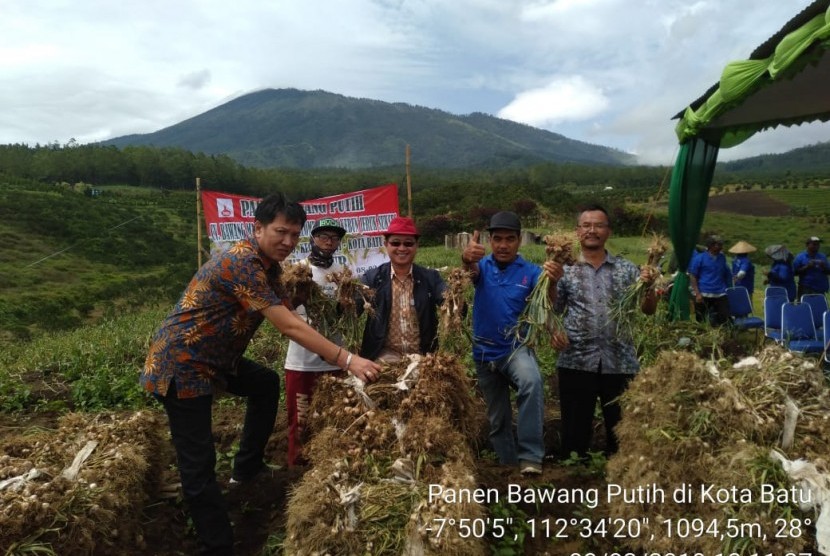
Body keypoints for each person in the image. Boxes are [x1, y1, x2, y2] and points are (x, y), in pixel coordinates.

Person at [140, 193, 381, 556]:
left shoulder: (269, 269)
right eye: (280, 232)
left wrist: (341, 298)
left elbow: (289, 305)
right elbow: (288, 325)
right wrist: (349, 359)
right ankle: (217, 545)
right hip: (183, 365)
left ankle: (247, 470)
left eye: (294, 235)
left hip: (219, 360)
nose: (287, 242)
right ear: (258, 228)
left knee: (265, 384)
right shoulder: (241, 262)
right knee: (199, 464)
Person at [550, 204, 657, 459]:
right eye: (586, 225)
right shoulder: (566, 269)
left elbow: (648, 309)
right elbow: (553, 308)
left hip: (620, 361)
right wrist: (552, 283)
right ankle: (575, 481)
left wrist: (650, 286)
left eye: (599, 225)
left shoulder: (627, 269)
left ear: (608, 231)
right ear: (577, 232)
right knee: (574, 440)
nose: (592, 230)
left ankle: (620, 480)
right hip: (577, 359)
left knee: (622, 439)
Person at [461, 211, 562, 475]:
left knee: (531, 382)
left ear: (519, 241)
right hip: (484, 352)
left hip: (515, 348)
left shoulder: (532, 272)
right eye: (497, 239)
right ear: (490, 240)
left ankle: (530, 456)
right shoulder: (482, 267)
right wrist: (466, 258)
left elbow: (547, 304)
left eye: (509, 239)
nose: (503, 245)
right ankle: (507, 465)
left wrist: (553, 284)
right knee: (498, 416)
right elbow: (468, 271)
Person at [283, 217, 348, 468]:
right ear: (312, 239)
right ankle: (298, 470)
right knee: (301, 421)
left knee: (336, 416)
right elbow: (284, 310)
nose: (329, 242)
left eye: (334, 238)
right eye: (324, 237)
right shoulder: (299, 270)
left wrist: (346, 304)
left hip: (336, 358)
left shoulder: (340, 274)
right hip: (303, 362)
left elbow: (345, 317)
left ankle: (330, 465)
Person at [360, 216, 446, 363]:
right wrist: (345, 298)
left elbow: (451, 303)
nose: (402, 248)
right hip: (383, 359)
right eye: (395, 243)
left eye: (408, 243)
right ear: (386, 244)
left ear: (416, 245)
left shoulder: (431, 278)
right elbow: (350, 310)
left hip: (422, 358)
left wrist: (454, 297)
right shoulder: (372, 278)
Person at [688, 235, 732, 326]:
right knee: (701, 319)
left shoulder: (722, 258)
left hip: (720, 292)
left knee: (724, 316)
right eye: (718, 245)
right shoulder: (699, 258)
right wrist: (697, 293)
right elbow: (693, 276)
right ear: (711, 246)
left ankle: (723, 337)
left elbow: (725, 273)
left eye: (721, 245)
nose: (721, 247)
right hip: (704, 292)